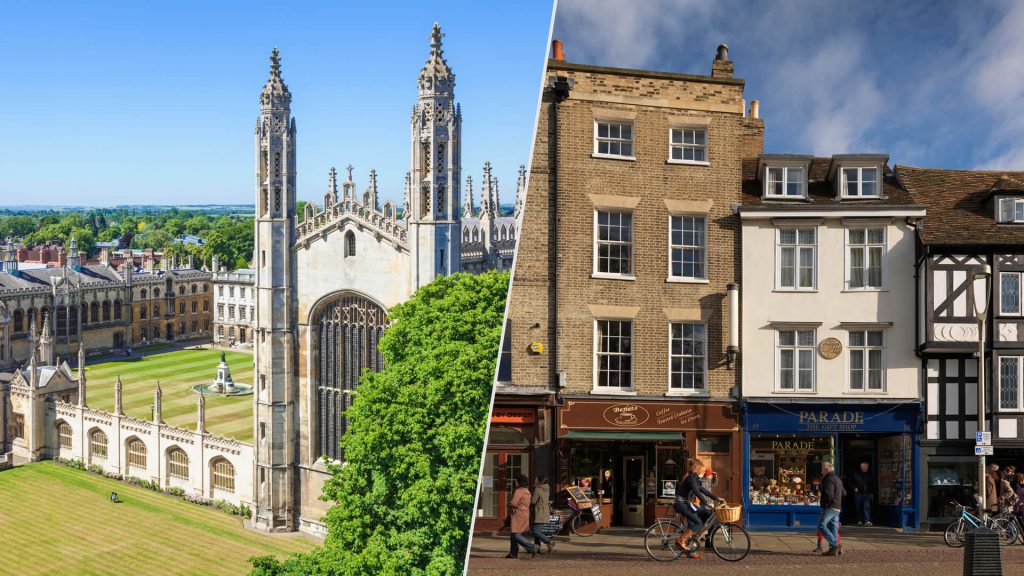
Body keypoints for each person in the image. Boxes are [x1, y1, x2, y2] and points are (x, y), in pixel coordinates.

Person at [674, 459, 724, 560]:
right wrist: (707, 503)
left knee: (704, 515)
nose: (703, 473)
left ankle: (691, 550)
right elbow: (697, 492)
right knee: (698, 523)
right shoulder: (691, 478)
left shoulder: (695, 479)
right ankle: (681, 539)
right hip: (682, 504)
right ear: (697, 469)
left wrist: (716, 498)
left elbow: (703, 490)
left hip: (687, 504)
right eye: (702, 470)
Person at [505, 474, 538, 559]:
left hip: (518, 514)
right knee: (513, 535)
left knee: (515, 534)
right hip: (525, 514)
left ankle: (532, 547)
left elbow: (514, 503)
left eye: (516, 481)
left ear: (519, 482)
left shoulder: (518, 491)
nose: (515, 482)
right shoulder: (527, 491)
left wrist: (509, 503)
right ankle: (513, 553)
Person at [818, 461, 845, 557]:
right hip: (837, 506)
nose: (821, 471)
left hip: (830, 507)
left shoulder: (828, 479)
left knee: (821, 526)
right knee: (832, 528)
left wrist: (827, 503)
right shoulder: (837, 479)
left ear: (826, 469)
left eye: (822, 469)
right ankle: (834, 550)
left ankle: (835, 544)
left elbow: (829, 494)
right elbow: (844, 493)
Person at [530, 475, 555, 554]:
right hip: (545, 512)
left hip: (539, 512)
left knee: (535, 531)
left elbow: (533, 501)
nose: (535, 480)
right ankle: (536, 549)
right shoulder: (547, 488)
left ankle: (549, 542)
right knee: (538, 531)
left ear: (539, 481)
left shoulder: (538, 489)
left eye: (536, 479)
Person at [851, 461, 874, 526]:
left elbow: (873, 484)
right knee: (858, 507)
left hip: (867, 493)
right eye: (864, 467)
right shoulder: (856, 474)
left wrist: (872, 493)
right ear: (861, 467)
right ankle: (859, 520)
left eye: (866, 467)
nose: (866, 468)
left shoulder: (870, 475)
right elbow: (850, 482)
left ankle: (867, 521)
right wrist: (854, 487)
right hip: (858, 493)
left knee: (866, 507)